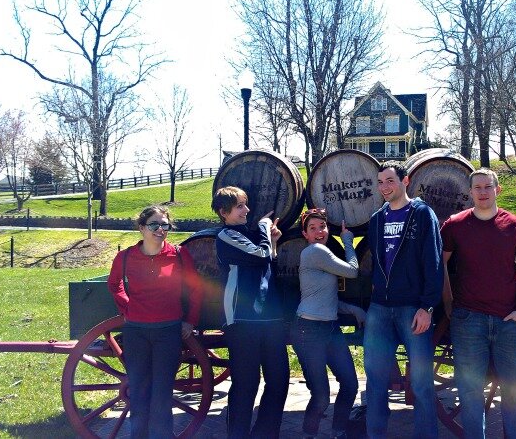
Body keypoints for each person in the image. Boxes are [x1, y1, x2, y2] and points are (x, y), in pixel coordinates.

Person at [440, 168, 516, 439]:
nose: (482, 192)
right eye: (477, 187)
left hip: (508, 320)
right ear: (470, 192)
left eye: (487, 187)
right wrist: (448, 300)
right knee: (470, 393)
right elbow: (441, 264)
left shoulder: (515, 225)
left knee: (514, 390)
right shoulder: (456, 225)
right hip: (469, 320)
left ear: (497, 189)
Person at [107, 205, 202, 439]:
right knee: (138, 391)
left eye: (164, 225)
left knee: (162, 392)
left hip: (168, 331)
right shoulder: (126, 257)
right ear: (141, 228)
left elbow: (196, 288)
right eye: (154, 225)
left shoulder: (178, 255)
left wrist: (189, 321)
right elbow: (114, 284)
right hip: (136, 332)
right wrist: (127, 307)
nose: (160, 230)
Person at [363, 160, 444, 439]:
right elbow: (376, 264)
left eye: (390, 181)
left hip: (412, 308)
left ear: (405, 181)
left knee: (421, 384)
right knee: (374, 381)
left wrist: (427, 306)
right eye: (381, 182)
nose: (385, 187)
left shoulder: (422, 214)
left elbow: (433, 263)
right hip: (380, 309)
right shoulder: (376, 220)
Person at [212, 186, 287, 439]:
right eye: (240, 206)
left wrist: (272, 241)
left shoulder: (249, 234)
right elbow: (260, 255)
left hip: (270, 316)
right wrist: (266, 226)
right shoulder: (226, 235)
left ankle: (264, 434)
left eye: (246, 205)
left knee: (278, 381)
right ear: (224, 213)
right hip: (242, 318)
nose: (247, 210)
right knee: (247, 384)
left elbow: (267, 261)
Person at [292, 208, 367, 439]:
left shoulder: (322, 253)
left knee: (350, 383)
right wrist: (347, 240)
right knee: (321, 395)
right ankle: (309, 434)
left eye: (322, 227)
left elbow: (324, 297)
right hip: (309, 330)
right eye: (312, 228)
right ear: (305, 234)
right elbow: (353, 271)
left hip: (330, 328)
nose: (319, 232)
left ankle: (339, 431)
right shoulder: (314, 252)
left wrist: (352, 309)